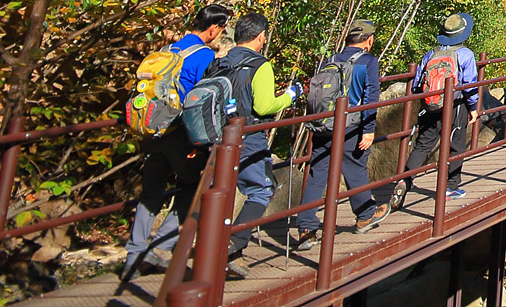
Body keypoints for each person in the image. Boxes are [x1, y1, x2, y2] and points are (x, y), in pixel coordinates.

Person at [119, 3, 233, 285]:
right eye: (221, 30)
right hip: (178, 133)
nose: (220, 35)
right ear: (213, 29)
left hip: (152, 132)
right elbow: (200, 99)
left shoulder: (167, 51)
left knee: (151, 193)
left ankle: (133, 257)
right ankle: (160, 246)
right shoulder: (204, 56)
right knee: (192, 186)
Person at [204, 13, 299, 261]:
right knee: (261, 190)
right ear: (261, 37)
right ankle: (232, 245)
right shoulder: (260, 65)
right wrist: (290, 96)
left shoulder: (218, 63)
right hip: (248, 136)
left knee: (220, 192)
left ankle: (214, 247)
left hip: (217, 136)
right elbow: (265, 106)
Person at [289, 20, 385, 250]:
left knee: (317, 174)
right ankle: (365, 216)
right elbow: (371, 97)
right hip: (350, 125)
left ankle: (306, 227)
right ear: (369, 40)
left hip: (323, 124)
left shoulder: (330, 59)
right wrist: (369, 130)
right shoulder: (368, 61)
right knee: (355, 167)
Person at [398, 13, 481, 207]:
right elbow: (470, 84)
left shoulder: (431, 53)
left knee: (422, 145)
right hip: (455, 106)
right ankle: (450, 187)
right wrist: (473, 107)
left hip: (430, 106)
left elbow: (417, 84)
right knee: (455, 146)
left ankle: (404, 181)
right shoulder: (465, 54)